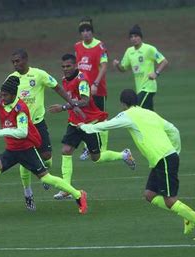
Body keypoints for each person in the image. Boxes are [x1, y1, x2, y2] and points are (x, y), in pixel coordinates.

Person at [79, 89, 195, 240]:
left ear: (122, 104)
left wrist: (86, 127)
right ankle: (185, 214)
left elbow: (107, 125)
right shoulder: (150, 113)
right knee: (149, 195)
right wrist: (175, 150)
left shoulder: (127, 115)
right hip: (162, 159)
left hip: (163, 159)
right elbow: (173, 130)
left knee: (170, 200)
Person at [0, 49, 84, 211]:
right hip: (17, 139)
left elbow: (57, 88)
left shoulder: (37, 77)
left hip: (33, 127)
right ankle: (20, 195)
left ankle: (77, 194)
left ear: (26, 60)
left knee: (46, 162)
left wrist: (72, 105)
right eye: (13, 62)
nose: (15, 64)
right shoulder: (11, 80)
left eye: (17, 61)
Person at [49, 54, 136, 200]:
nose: (65, 69)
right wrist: (70, 109)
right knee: (66, 150)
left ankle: (124, 155)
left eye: (68, 66)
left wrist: (64, 107)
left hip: (90, 124)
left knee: (96, 158)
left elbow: (85, 100)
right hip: (74, 122)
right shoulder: (64, 80)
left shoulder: (82, 80)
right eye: (63, 66)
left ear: (75, 65)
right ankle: (66, 188)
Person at [74, 17, 110, 161]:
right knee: (85, 117)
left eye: (88, 30)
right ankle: (88, 148)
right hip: (83, 90)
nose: (86, 33)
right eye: (83, 31)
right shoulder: (77, 46)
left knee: (101, 118)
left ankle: (103, 148)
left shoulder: (99, 46)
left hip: (98, 89)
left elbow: (104, 66)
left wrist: (95, 83)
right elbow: (77, 66)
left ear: (92, 32)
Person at [113, 25, 169, 111]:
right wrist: (117, 65)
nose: (133, 38)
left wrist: (156, 73)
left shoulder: (149, 49)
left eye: (136, 36)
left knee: (134, 109)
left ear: (140, 37)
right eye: (131, 37)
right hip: (139, 89)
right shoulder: (129, 51)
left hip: (148, 87)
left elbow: (164, 61)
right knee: (149, 114)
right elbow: (123, 69)